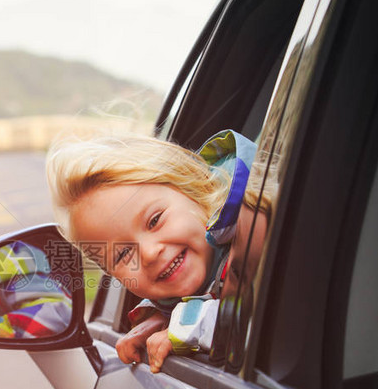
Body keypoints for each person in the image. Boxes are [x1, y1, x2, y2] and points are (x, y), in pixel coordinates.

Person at [46, 129, 270, 373]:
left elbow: (259, 319)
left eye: (154, 221)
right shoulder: (171, 296)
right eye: (122, 255)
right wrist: (162, 317)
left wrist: (184, 330)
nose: (150, 253)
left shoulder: (257, 225)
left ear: (194, 188)